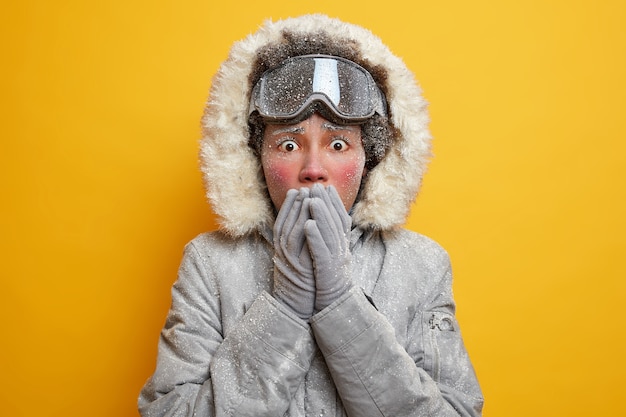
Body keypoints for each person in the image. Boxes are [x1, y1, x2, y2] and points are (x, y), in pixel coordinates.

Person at [138, 13, 483, 417]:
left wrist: (342, 304)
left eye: (338, 145)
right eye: (288, 144)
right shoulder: (209, 263)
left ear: (370, 158)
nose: (313, 168)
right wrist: (285, 307)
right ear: (255, 158)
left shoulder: (422, 265)